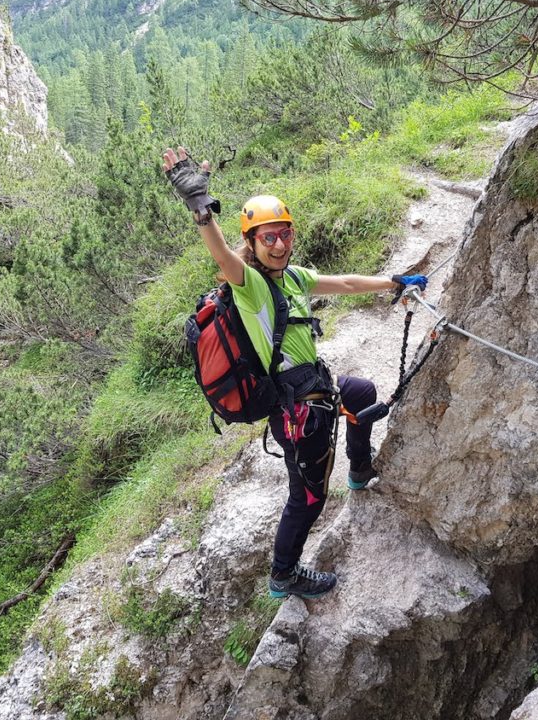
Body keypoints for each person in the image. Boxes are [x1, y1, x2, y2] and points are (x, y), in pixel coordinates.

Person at [162, 146, 427, 600]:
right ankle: (284, 574)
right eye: (269, 238)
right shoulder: (249, 284)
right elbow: (223, 258)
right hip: (295, 409)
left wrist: (394, 281)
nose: (280, 244)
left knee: (360, 391)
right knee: (308, 497)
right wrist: (201, 210)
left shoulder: (293, 278)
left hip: (316, 388)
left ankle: (360, 470)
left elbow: (342, 284)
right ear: (253, 242)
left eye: (285, 234)